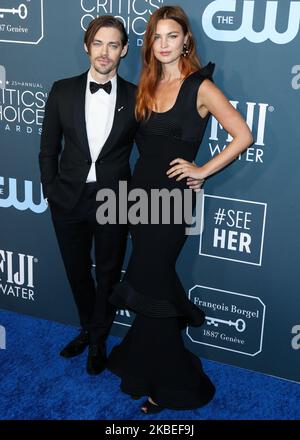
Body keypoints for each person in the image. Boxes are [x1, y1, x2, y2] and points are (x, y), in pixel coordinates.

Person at [107, 6, 253, 414]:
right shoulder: (145, 87)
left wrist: (203, 169)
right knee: (151, 283)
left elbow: (243, 134)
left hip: (172, 201)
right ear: (149, 44)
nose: (165, 44)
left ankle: (173, 385)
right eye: (158, 37)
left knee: (151, 282)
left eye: (173, 36)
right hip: (138, 197)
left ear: (186, 39)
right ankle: (144, 361)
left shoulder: (200, 87)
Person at [39, 16, 138, 375]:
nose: (105, 52)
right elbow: (48, 149)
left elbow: (154, 145)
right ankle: (86, 326)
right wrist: (51, 190)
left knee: (109, 273)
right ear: (87, 46)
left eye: (113, 45)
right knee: (77, 270)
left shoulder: (136, 95)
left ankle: (98, 338)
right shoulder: (62, 90)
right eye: (98, 43)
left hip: (114, 199)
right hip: (67, 199)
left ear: (124, 50)